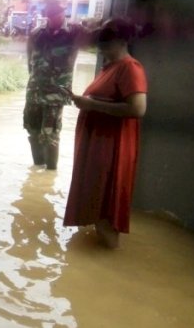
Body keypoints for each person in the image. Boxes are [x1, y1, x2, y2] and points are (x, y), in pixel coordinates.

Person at [63, 17, 148, 248]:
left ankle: (108, 263)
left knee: (106, 206)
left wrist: (91, 105)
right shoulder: (110, 66)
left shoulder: (130, 68)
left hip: (113, 147)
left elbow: (138, 108)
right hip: (99, 145)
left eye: (106, 40)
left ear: (122, 41)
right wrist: (85, 101)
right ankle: (100, 265)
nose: (100, 45)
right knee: (96, 198)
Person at [23, 0, 95, 170]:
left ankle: (50, 173)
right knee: (32, 131)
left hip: (56, 94)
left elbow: (98, 38)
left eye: (55, 6)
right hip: (34, 91)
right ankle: (37, 170)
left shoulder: (74, 32)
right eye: (48, 5)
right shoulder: (36, 33)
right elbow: (30, 62)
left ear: (64, 7)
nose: (50, 9)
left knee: (51, 135)